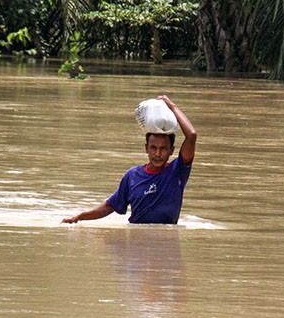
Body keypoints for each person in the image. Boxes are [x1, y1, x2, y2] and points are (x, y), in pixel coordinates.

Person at [62, 95, 196, 225]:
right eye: (153, 148)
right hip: (136, 242)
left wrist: (172, 107)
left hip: (167, 244)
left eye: (163, 148)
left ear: (171, 151)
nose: (158, 153)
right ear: (146, 149)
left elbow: (191, 135)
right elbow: (109, 206)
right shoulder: (132, 176)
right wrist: (79, 217)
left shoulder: (177, 171)